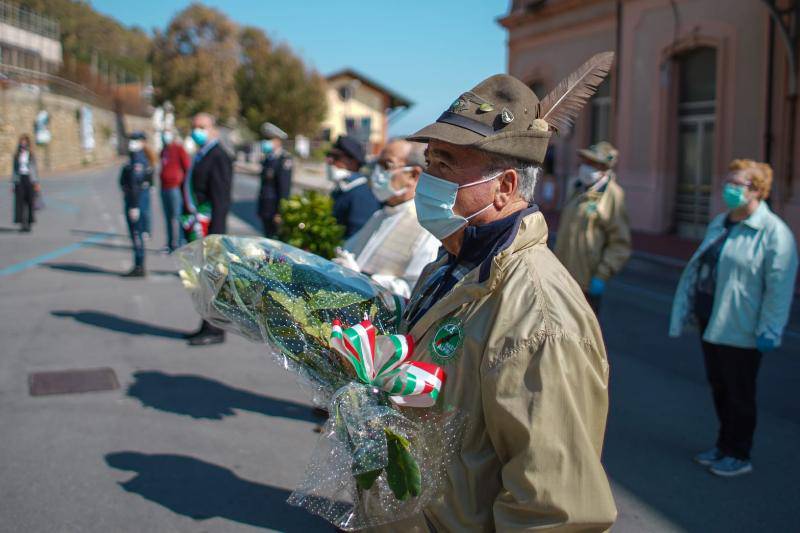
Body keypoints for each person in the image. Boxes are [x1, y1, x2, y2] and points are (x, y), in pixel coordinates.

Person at [380, 64, 617, 530]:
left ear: (506, 187)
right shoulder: (453, 260)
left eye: (446, 164)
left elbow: (554, 511)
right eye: (429, 163)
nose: (428, 179)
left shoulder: (540, 317)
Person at [669, 159, 798, 477]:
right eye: (728, 182)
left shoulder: (774, 234)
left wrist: (771, 328)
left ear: (756, 190)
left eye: (736, 184)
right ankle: (723, 445)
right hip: (712, 318)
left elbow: (778, 289)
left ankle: (739, 454)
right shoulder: (722, 222)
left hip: (742, 326)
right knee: (719, 386)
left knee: (740, 392)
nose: (728, 189)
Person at [332, 138, 439, 298]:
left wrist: (362, 279)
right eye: (377, 164)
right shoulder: (380, 214)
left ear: (413, 175)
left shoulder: (426, 226)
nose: (377, 172)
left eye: (386, 165)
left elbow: (415, 290)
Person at [554, 141, 631, 314]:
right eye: (584, 162)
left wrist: (602, 275)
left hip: (585, 283)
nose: (585, 167)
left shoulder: (612, 195)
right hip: (561, 278)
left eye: (591, 163)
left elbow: (620, 243)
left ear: (604, 168)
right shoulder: (577, 189)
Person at [183, 112, 234, 346]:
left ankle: (214, 329)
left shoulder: (219, 155)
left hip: (210, 228)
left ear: (213, 129)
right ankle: (205, 324)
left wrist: (216, 236)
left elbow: (221, 199)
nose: (197, 131)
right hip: (199, 225)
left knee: (211, 279)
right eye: (194, 127)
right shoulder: (203, 154)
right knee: (201, 279)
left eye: (202, 127)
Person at [327, 135, 380, 238]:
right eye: (329, 156)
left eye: (336, 157)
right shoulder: (343, 187)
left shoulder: (362, 194)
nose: (329, 161)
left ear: (353, 162)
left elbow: (357, 237)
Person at [119, 132, 155, 277]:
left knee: (136, 234)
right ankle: (139, 264)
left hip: (136, 200)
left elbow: (135, 184)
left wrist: (134, 205)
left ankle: (139, 266)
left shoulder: (138, 159)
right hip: (137, 199)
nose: (131, 142)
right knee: (137, 233)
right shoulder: (136, 157)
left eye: (134, 140)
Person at [257, 122, 292, 238]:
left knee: (276, 242)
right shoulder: (268, 158)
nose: (266, 142)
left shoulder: (284, 160)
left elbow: (284, 188)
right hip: (265, 208)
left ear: (277, 140)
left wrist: (280, 212)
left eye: (269, 139)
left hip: (274, 209)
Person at [159, 130, 190, 252]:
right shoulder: (164, 151)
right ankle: (170, 243)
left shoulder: (179, 149)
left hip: (175, 187)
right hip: (164, 187)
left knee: (177, 217)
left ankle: (181, 242)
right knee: (167, 217)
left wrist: (183, 185)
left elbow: (187, 166)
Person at [11, 134, 38, 232]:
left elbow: (34, 169)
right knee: (20, 203)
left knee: (30, 202)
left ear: (28, 142)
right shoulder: (16, 155)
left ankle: (29, 223)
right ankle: (23, 224)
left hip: (29, 179)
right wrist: (13, 183)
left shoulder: (31, 154)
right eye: (22, 141)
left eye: (25, 141)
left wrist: (36, 182)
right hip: (20, 179)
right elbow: (14, 170)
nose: (23, 143)